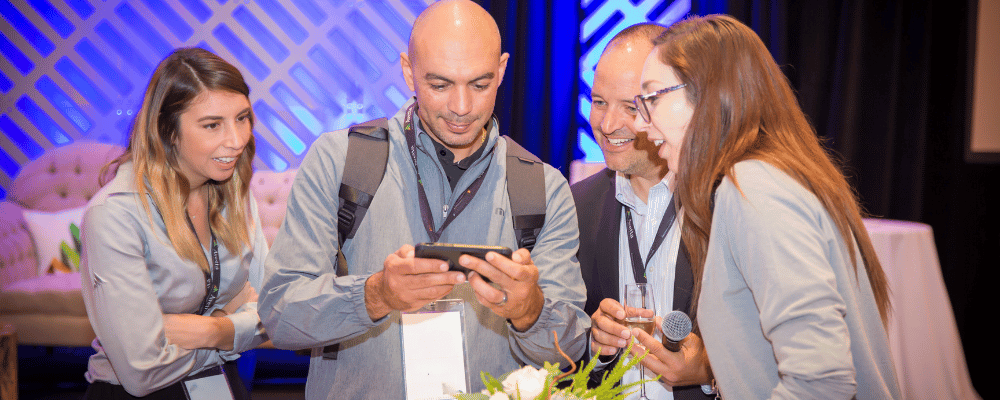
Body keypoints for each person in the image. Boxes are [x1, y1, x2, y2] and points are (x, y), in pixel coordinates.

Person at [257, 1, 589, 398]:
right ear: (407, 70)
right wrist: (374, 295)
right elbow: (279, 316)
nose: (462, 108)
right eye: (440, 85)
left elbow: (570, 353)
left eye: (481, 84)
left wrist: (529, 311)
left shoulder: (544, 188)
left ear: (502, 69)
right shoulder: (340, 160)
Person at [631, 14, 901, 399]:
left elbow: (822, 383)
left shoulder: (755, 187)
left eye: (653, 98)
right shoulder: (770, 178)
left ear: (708, 93)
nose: (642, 124)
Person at [79, 47, 268, 399]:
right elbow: (142, 370)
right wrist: (234, 327)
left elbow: (273, 310)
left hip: (222, 387)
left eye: (242, 117)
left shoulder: (235, 192)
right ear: (168, 131)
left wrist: (210, 330)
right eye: (213, 125)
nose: (238, 140)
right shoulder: (116, 213)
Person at [572, 23, 714, 399]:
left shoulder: (723, 204)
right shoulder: (575, 206)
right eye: (599, 101)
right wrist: (593, 340)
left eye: (631, 106)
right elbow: (557, 351)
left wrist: (709, 370)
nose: (607, 124)